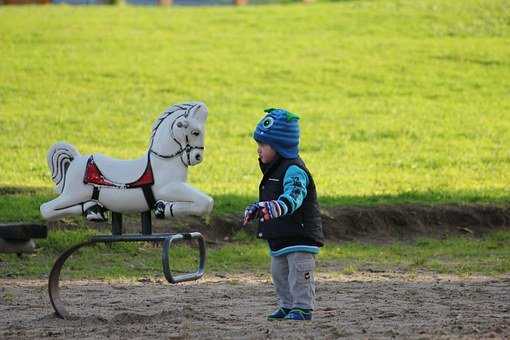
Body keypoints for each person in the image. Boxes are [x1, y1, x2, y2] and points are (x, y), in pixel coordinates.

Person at [243, 108, 325, 321]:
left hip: (299, 234)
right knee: (279, 274)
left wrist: (274, 207)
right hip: (280, 237)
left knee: (299, 274)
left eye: (262, 145)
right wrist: (258, 208)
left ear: (279, 146)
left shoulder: (294, 170)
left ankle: (302, 307)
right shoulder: (273, 170)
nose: (258, 150)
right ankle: (287, 305)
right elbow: (269, 199)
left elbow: (294, 196)